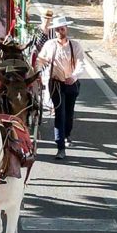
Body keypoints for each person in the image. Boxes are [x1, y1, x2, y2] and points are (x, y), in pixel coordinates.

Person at [35, 15, 84, 160]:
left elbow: (81, 63)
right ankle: (60, 147)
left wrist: (73, 77)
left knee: (69, 114)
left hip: (72, 83)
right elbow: (41, 60)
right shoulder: (50, 45)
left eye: (62, 29)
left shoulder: (75, 46)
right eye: (57, 29)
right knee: (59, 113)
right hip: (55, 84)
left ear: (66, 29)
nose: (60, 31)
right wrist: (37, 72)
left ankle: (67, 134)